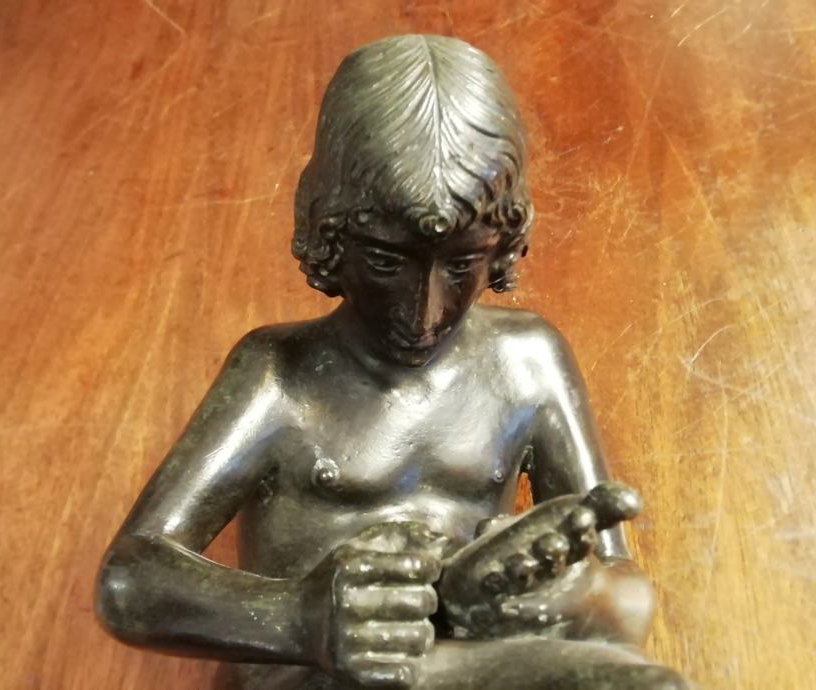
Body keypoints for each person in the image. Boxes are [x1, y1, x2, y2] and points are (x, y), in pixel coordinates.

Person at [96, 34, 688, 690]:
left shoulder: (527, 360)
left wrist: (571, 596)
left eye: (461, 264)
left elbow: (623, 588)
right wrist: (300, 617)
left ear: (501, 246)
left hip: (468, 665)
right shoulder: (277, 375)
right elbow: (130, 579)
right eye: (385, 261)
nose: (423, 314)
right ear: (329, 234)